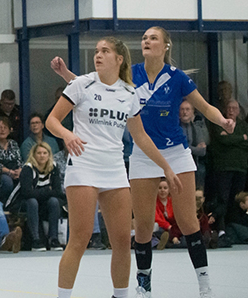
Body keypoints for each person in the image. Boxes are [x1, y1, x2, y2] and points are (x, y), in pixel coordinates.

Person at [51, 26, 237, 298]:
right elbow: (93, 88)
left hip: (165, 154)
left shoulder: (168, 80)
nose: (147, 41)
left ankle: (202, 284)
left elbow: (202, 106)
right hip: (114, 160)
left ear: (166, 46)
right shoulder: (124, 76)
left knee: (180, 224)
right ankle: (141, 284)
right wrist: (68, 80)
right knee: (125, 230)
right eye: (144, 38)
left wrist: (222, 121)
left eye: (153, 38)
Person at [46, 37, 183, 298]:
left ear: (119, 59)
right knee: (80, 237)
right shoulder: (81, 84)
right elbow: (52, 120)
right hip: (84, 167)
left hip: (115, 170)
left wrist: (166, 167)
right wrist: (67, 135)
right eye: (96, 51)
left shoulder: (129, 93)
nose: (98, 55)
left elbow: (141, 137)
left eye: (104, 51)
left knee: (122, 241)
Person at [206, 98, 248, 247]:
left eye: (234, 108)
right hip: (223, 167)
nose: (231, 110)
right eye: (229, 108)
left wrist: (232, 138)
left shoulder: (243, 125)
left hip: (240, 167)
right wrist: (241, 139)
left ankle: (236, 229)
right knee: (222, 199)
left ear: (239, 111)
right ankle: (221, 230)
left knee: (237, 200)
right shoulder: (219, 122)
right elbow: (222, 141)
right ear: (225, 110)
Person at [19, 142, 65, 251]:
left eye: (45, 153)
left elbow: (58, 191)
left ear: (49, 155)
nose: (42, 155)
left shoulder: (53, 167)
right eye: (39, 153)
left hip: (44, 203)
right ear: (34, 155)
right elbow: (26, 193)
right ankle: (36, 239)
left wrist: (39, 192)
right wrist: (47, 191)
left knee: (54, 201)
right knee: (32, 201)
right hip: (24, 203)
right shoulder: (28, 169)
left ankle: (53, 239)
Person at [0, 116, 22, 199]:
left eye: (5, 128)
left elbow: (19, 160)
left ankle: (17, 204)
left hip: (14, 171)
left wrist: (19, 170)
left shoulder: (13, 143)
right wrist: (9, 172)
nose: (2, 130)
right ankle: (3, 203)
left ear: (10, 130)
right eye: (0, 127)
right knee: (7, 181)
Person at [179, 100, 209, 191]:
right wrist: (196, 148)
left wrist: (188, 148)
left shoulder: (196, 127)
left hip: (195, 164)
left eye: (187, 109)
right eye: (182, 109)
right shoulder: (175, 128)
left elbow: (203, 151)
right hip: (179, 165)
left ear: (192, 112)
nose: (185, 112)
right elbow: (180, 148)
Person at [155, 179, 180, 248]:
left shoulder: (173, 201)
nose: (162, 190)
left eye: (165, 188)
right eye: (160, 188)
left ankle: (169, 242)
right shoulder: (153, 203)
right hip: (161, 227)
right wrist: (168, 226)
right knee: (158, 230)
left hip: (172, 227)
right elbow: (156, 218)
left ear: (169, 190)